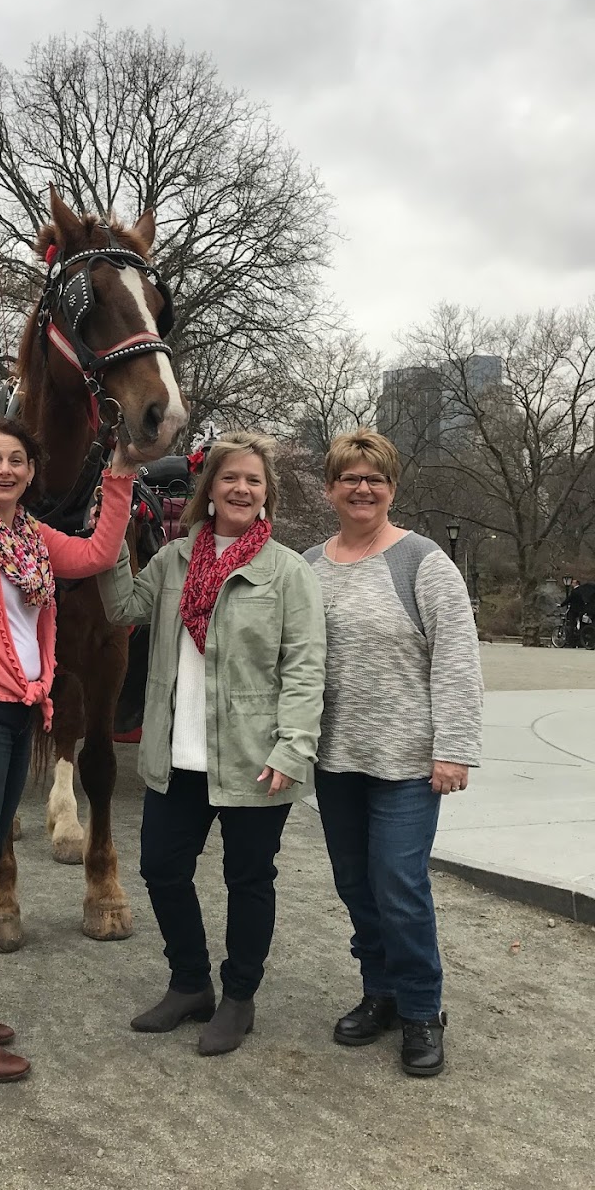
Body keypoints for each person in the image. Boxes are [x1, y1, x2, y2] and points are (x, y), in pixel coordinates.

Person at [0, 416, 136, 1082]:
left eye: (18, 459)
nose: (7, 469)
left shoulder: (31, 539)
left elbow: (99, 554)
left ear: (32, 472)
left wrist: (121, 474)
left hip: (19, 710)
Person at [98, 430, 326, 1057]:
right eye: (230, 478)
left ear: (266, 493)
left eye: (253, 480)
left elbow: (306, 668)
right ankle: (189, 982)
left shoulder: (287, 571)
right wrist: (114, 529)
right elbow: (121, 607)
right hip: (178, 755)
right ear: (209, 489)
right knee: (162, 869)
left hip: (256, 758)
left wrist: (293, 746)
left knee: (248, 879)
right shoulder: (173, 560)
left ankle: (239, 997)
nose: (241, 489)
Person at [305, 428, 483, 1079]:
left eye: (374, 477)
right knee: (356, 885)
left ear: (391, 488)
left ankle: (421, 1009)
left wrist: (455, 748)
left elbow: (458, 661)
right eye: (349, 477)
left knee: (399, 884)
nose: (362, 487)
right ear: (329, 488)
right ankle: (379, 990)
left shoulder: (423, 562)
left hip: (409, 761)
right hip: (336, 758)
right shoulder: (308, 566)